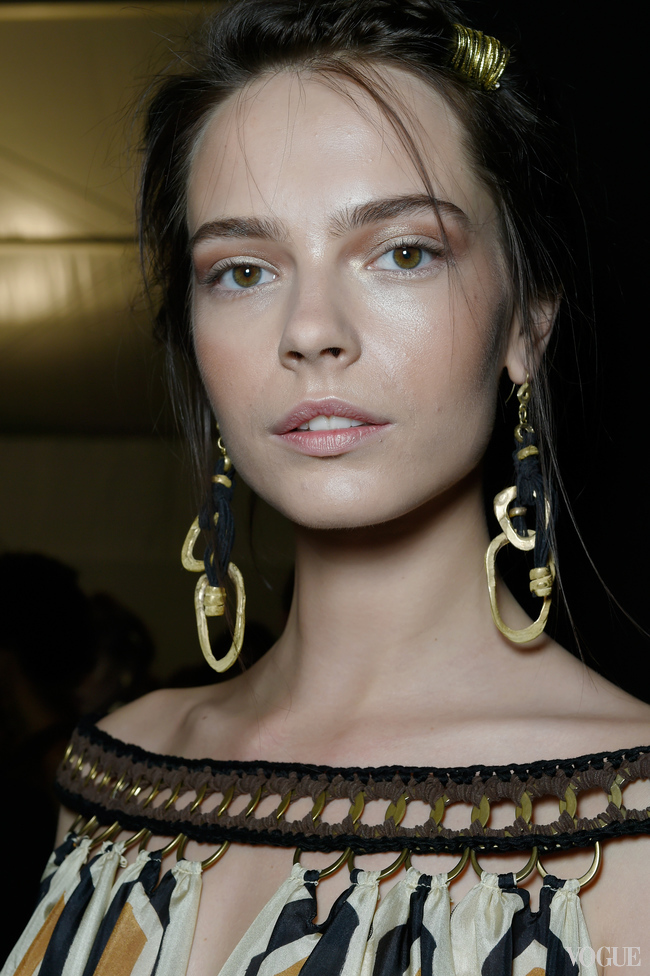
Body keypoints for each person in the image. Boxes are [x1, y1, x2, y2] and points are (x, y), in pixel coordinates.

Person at [4, 1, 649, 973]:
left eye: (403, 252)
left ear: (525, 321)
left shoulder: (626, 824)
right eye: (242, 271)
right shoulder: (106, 772)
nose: (310, 330)